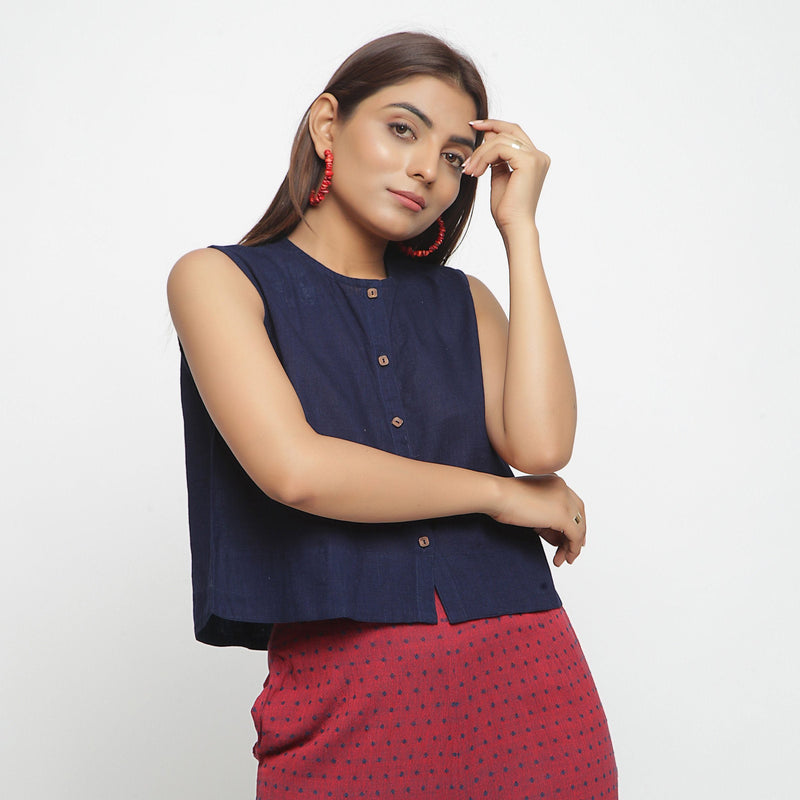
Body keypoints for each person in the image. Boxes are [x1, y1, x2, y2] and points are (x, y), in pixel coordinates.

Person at [168, 31, 618, 799]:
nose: (425, 171)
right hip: (350, 700)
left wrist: (521, 233)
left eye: (451, 156)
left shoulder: (465, 299)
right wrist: (500, 494)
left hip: (531, 682)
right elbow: (297, 471)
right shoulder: (218, 280)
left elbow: (541, 446)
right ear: (327, 126)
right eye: (402, 129)